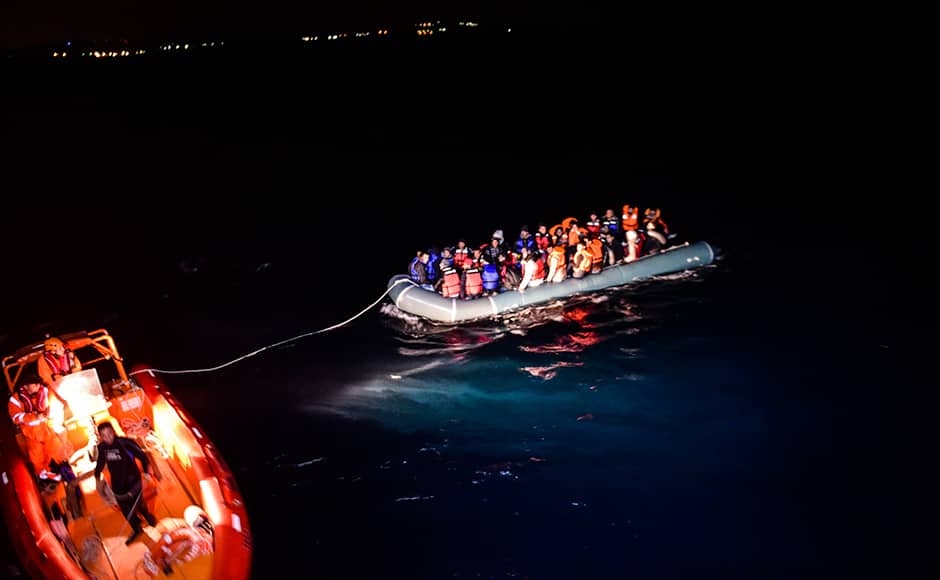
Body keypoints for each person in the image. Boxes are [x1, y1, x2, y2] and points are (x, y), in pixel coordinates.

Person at [94, 421, 158, 544]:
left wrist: (146, 473)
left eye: (109, 433)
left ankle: (148, 516)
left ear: (113, 431)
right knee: (125, 508)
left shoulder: (125, 443)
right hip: (118, 484)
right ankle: (136, 528)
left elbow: (142, 456)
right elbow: (101, 462)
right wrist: (96, 476)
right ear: (100, 437)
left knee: (138, 502)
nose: (108, 438)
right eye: (104, 435)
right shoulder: (102, 448)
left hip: (133, 480)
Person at [7, 372, 70, 484]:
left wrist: (53, 414)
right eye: (34, 384)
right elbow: (16, 417)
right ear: (26, 386)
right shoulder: (15, 399)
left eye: (37, 384)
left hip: (49, 430)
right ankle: (45, 479)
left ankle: (64, 470)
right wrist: (35, 416)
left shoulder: (46, 391)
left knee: (58, 451)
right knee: (38, 460)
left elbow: (56, 405)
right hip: (32, 436)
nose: (37, 387)